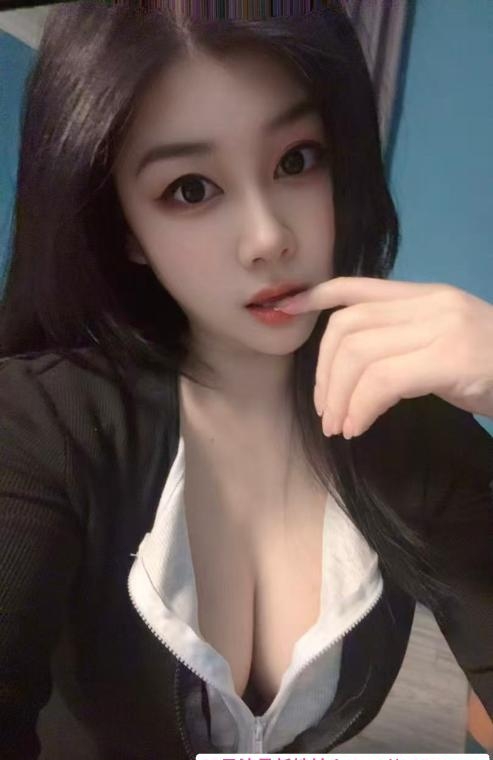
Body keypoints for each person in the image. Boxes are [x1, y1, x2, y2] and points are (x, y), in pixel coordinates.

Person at [0, 1, 492, 757]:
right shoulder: (41, 424)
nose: (267, 238)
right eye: (191, 190)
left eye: (296, 160)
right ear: (126, 229)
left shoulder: (406, 423)